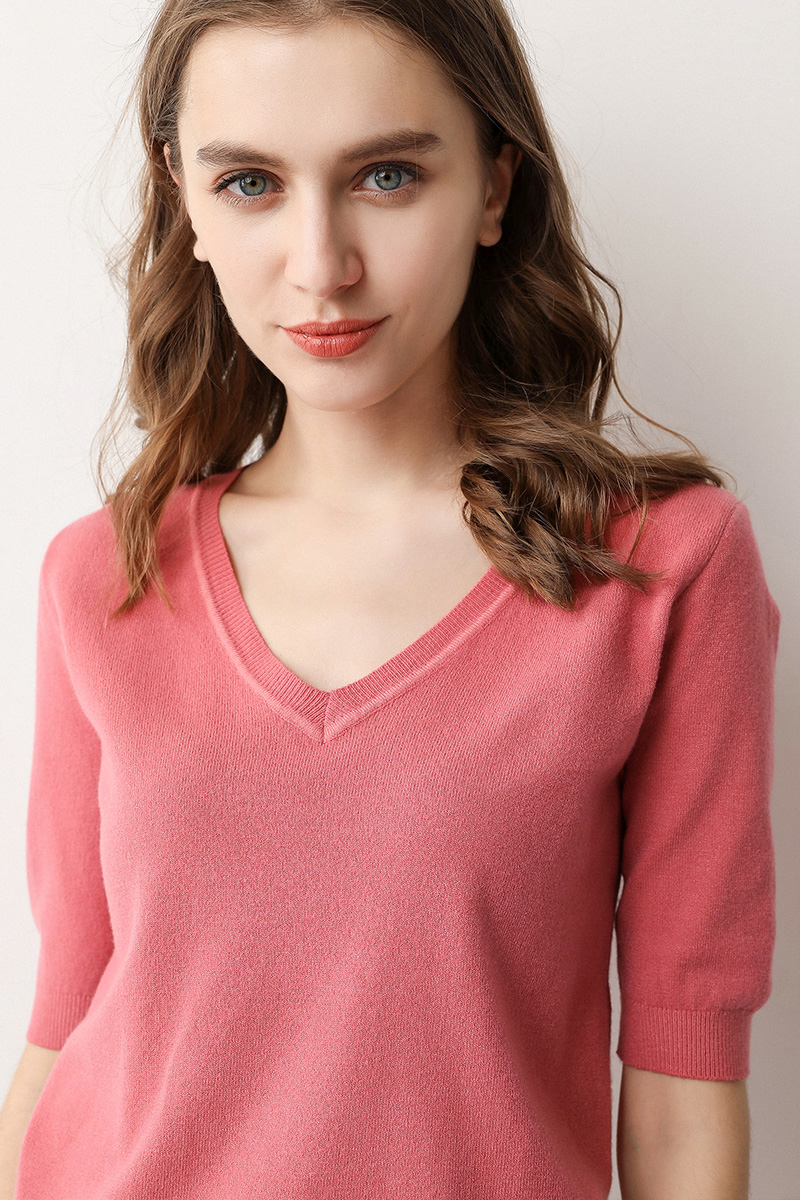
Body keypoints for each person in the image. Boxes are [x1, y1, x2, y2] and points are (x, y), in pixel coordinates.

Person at [0, 1, 781, 1198]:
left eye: (385, 175)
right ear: (183, 202)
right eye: (250, 183)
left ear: (493, 185)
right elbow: (63, 1027)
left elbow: (681, 1096)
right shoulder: (103, 575)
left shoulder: (660, 568)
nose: (322, 265)